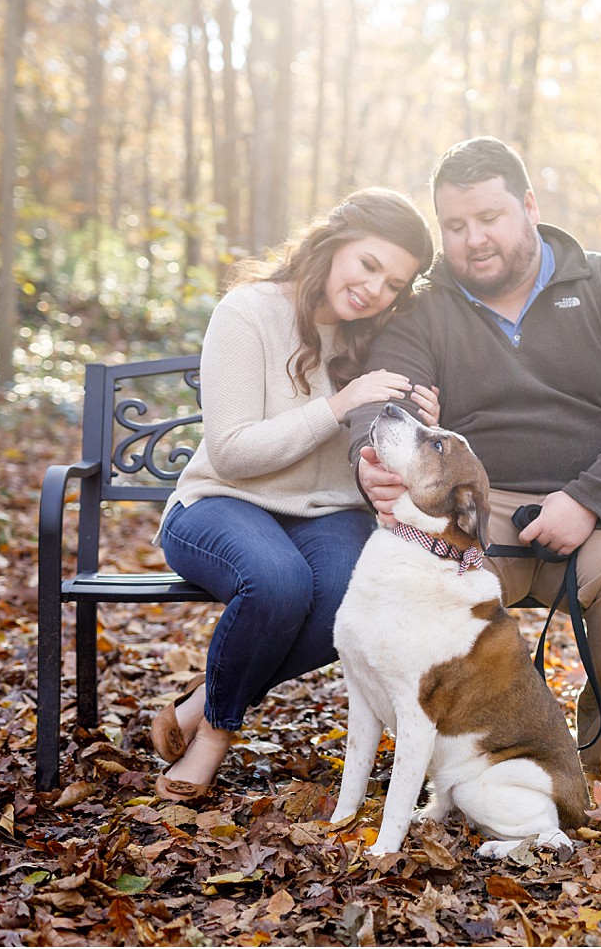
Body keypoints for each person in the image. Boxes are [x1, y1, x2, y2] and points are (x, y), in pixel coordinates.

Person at [349, 136, 601, 795]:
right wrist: (372, 458)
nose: (474, 239)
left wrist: (589, 499)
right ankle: (461, 755)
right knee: (415, 573)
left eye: (489, 218)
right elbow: (383, 402)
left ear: (529, 207)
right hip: (475, 501)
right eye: (455, 225)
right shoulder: (424, 309)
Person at [150, 189, 437, 802]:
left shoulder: (378, 338)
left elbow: (380, 450)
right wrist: (336, 405)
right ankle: (212, 740)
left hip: (326, 512)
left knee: (348, 595)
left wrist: (420, 421)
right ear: (333, 243)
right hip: (220, 502)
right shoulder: (248, 311)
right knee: (278, 583)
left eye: (392, 283)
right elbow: (231, 451)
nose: (373, 290)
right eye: (368, 264)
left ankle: (204, 699)